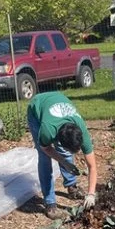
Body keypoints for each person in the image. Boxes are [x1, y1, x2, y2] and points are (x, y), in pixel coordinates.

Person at [27, 91, 98, 219]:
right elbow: (46, 149)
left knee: (64, 153)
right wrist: (65, 162)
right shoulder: (47, 130)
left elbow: (92, 166)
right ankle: (50, 203)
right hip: (37, 108)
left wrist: (91, 194)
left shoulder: (82, 131)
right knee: (45, 159)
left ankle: (71, 186)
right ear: (58, 140)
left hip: (57, 100)